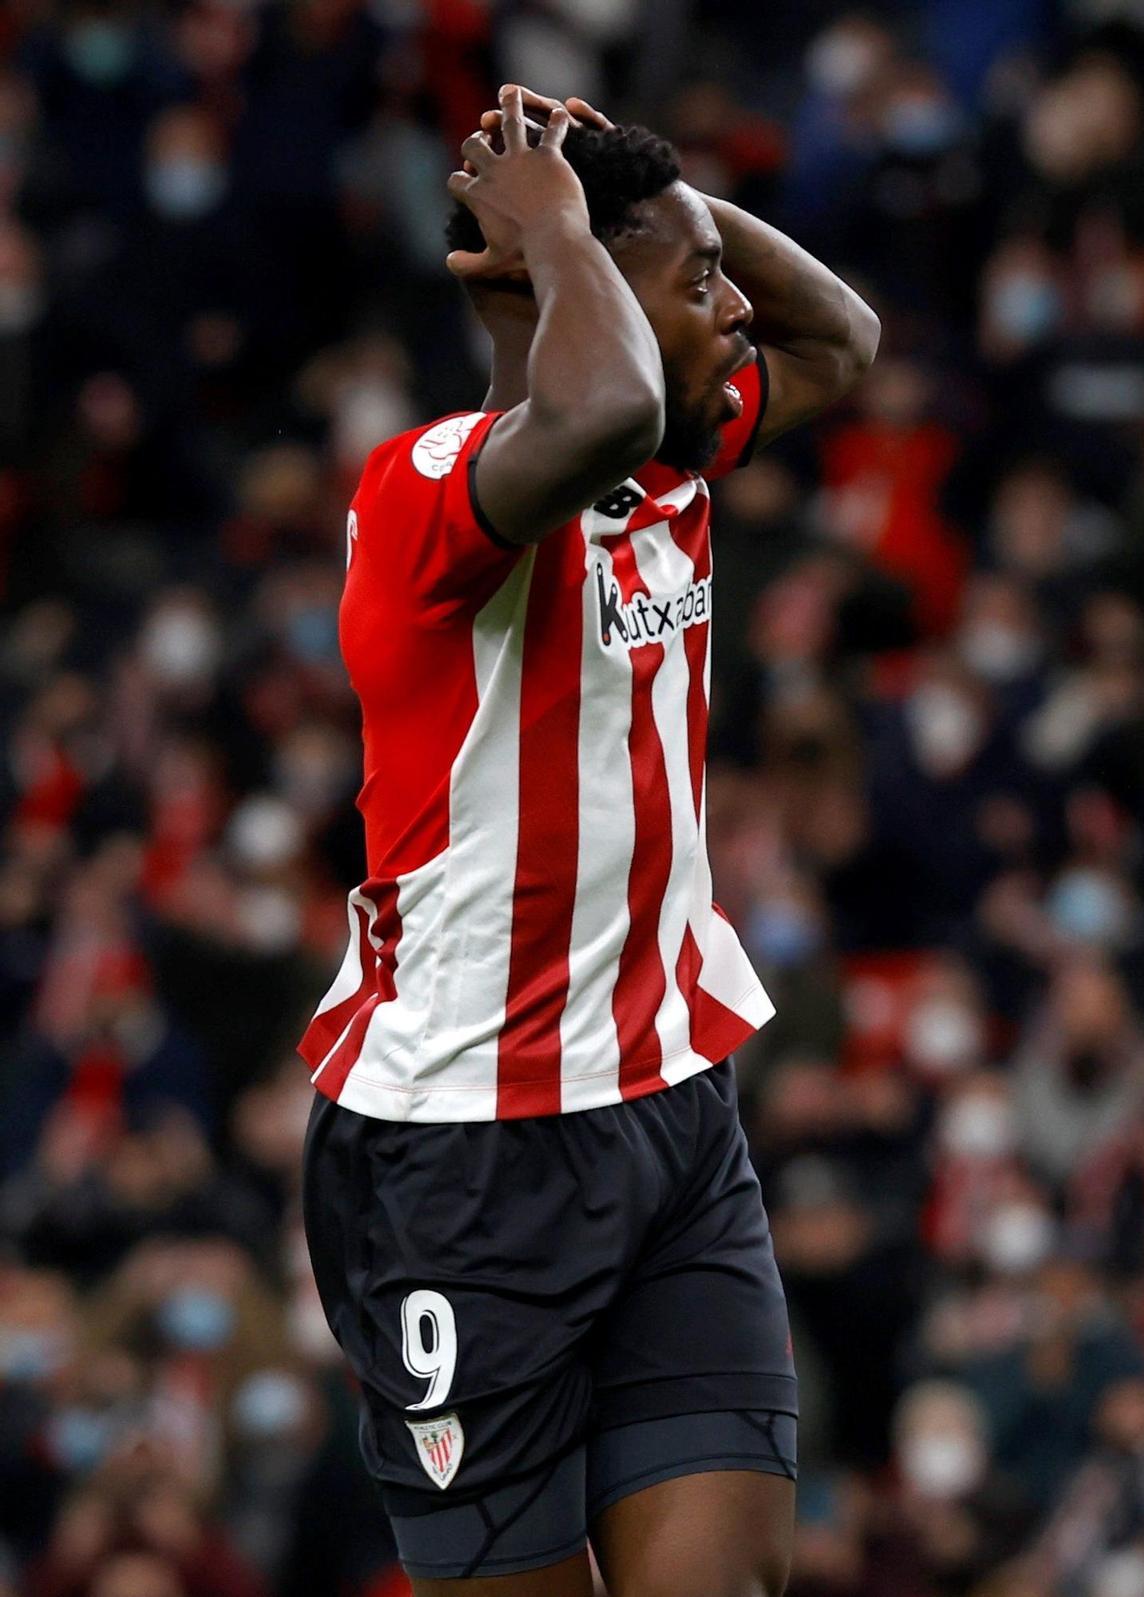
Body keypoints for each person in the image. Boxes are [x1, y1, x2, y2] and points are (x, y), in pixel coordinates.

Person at [299, 83, 879, 1597]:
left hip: (670, 1109)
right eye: (699, 286)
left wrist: (629, 181)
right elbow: (600, 401)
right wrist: (556, 234)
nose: (737, 309)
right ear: (571, 292)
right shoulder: (427, 491)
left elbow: (842, 339)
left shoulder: (672, 457)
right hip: (459, 1158)